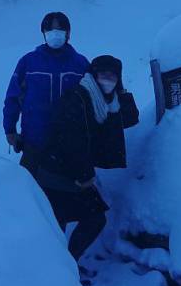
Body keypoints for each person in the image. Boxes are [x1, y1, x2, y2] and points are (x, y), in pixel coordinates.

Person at [35, 55, 139, 272]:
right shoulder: (78, 98)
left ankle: (64, 266)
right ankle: (60, 270)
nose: (108, 79)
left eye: (113, 75)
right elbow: (72, 141)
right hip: (56, 172)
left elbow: (130, 118)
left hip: (71, 172)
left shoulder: (108, 103)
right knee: (72, 221)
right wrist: (84, 175)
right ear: (93, 74)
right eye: (103, 74)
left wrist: (122, 92)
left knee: (81, 219)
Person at [3, 12, 90, 172]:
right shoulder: (28, 62)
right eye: (49, 30)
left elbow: (92, 101)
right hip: (34, 142)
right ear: (43, 34)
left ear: (68, 33)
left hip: (71, 144)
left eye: (60, 30)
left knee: (72, 192)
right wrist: (10, 129)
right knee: (28, 191)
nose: (54, 34)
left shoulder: (80, 64)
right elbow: (13, 98)